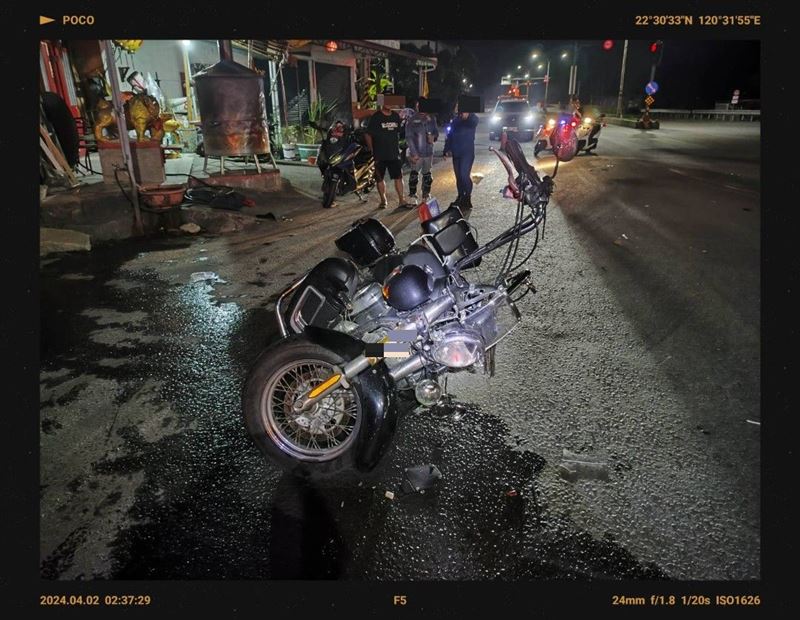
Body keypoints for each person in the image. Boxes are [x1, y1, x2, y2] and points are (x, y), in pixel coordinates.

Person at [364, 99, 408, 209]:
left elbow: (398, 133)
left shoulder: (396, 116)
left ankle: (401, 200)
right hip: (380, 154)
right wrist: (372, 149)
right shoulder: (376, 117)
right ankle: (383, 200)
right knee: (379, 178)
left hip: (394, 153)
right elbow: (367, 134)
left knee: (399, 177)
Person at [442, 103, 479, 210]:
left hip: (467, 153)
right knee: (458, 177)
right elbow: (449, 136)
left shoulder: (472, 118)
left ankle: (467, 198)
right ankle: (460, 197)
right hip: (456, 153)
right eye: (457, 106)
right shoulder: (455, 121)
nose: (458, 108)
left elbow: (473, 122)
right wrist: (446, 150)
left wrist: (467, 115)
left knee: (464, 175)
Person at [404, 96, 439, 205]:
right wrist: (413, 153)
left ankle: (425, 195)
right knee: (414, 175)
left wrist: (433, 136)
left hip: (428, 152)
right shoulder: (412, 120)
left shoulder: (432, 118)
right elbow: (409, 137)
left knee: (427, 175)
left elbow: (436, 133)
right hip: (417, 154)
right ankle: (412, 195)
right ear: (417, 105)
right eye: (419, 104)